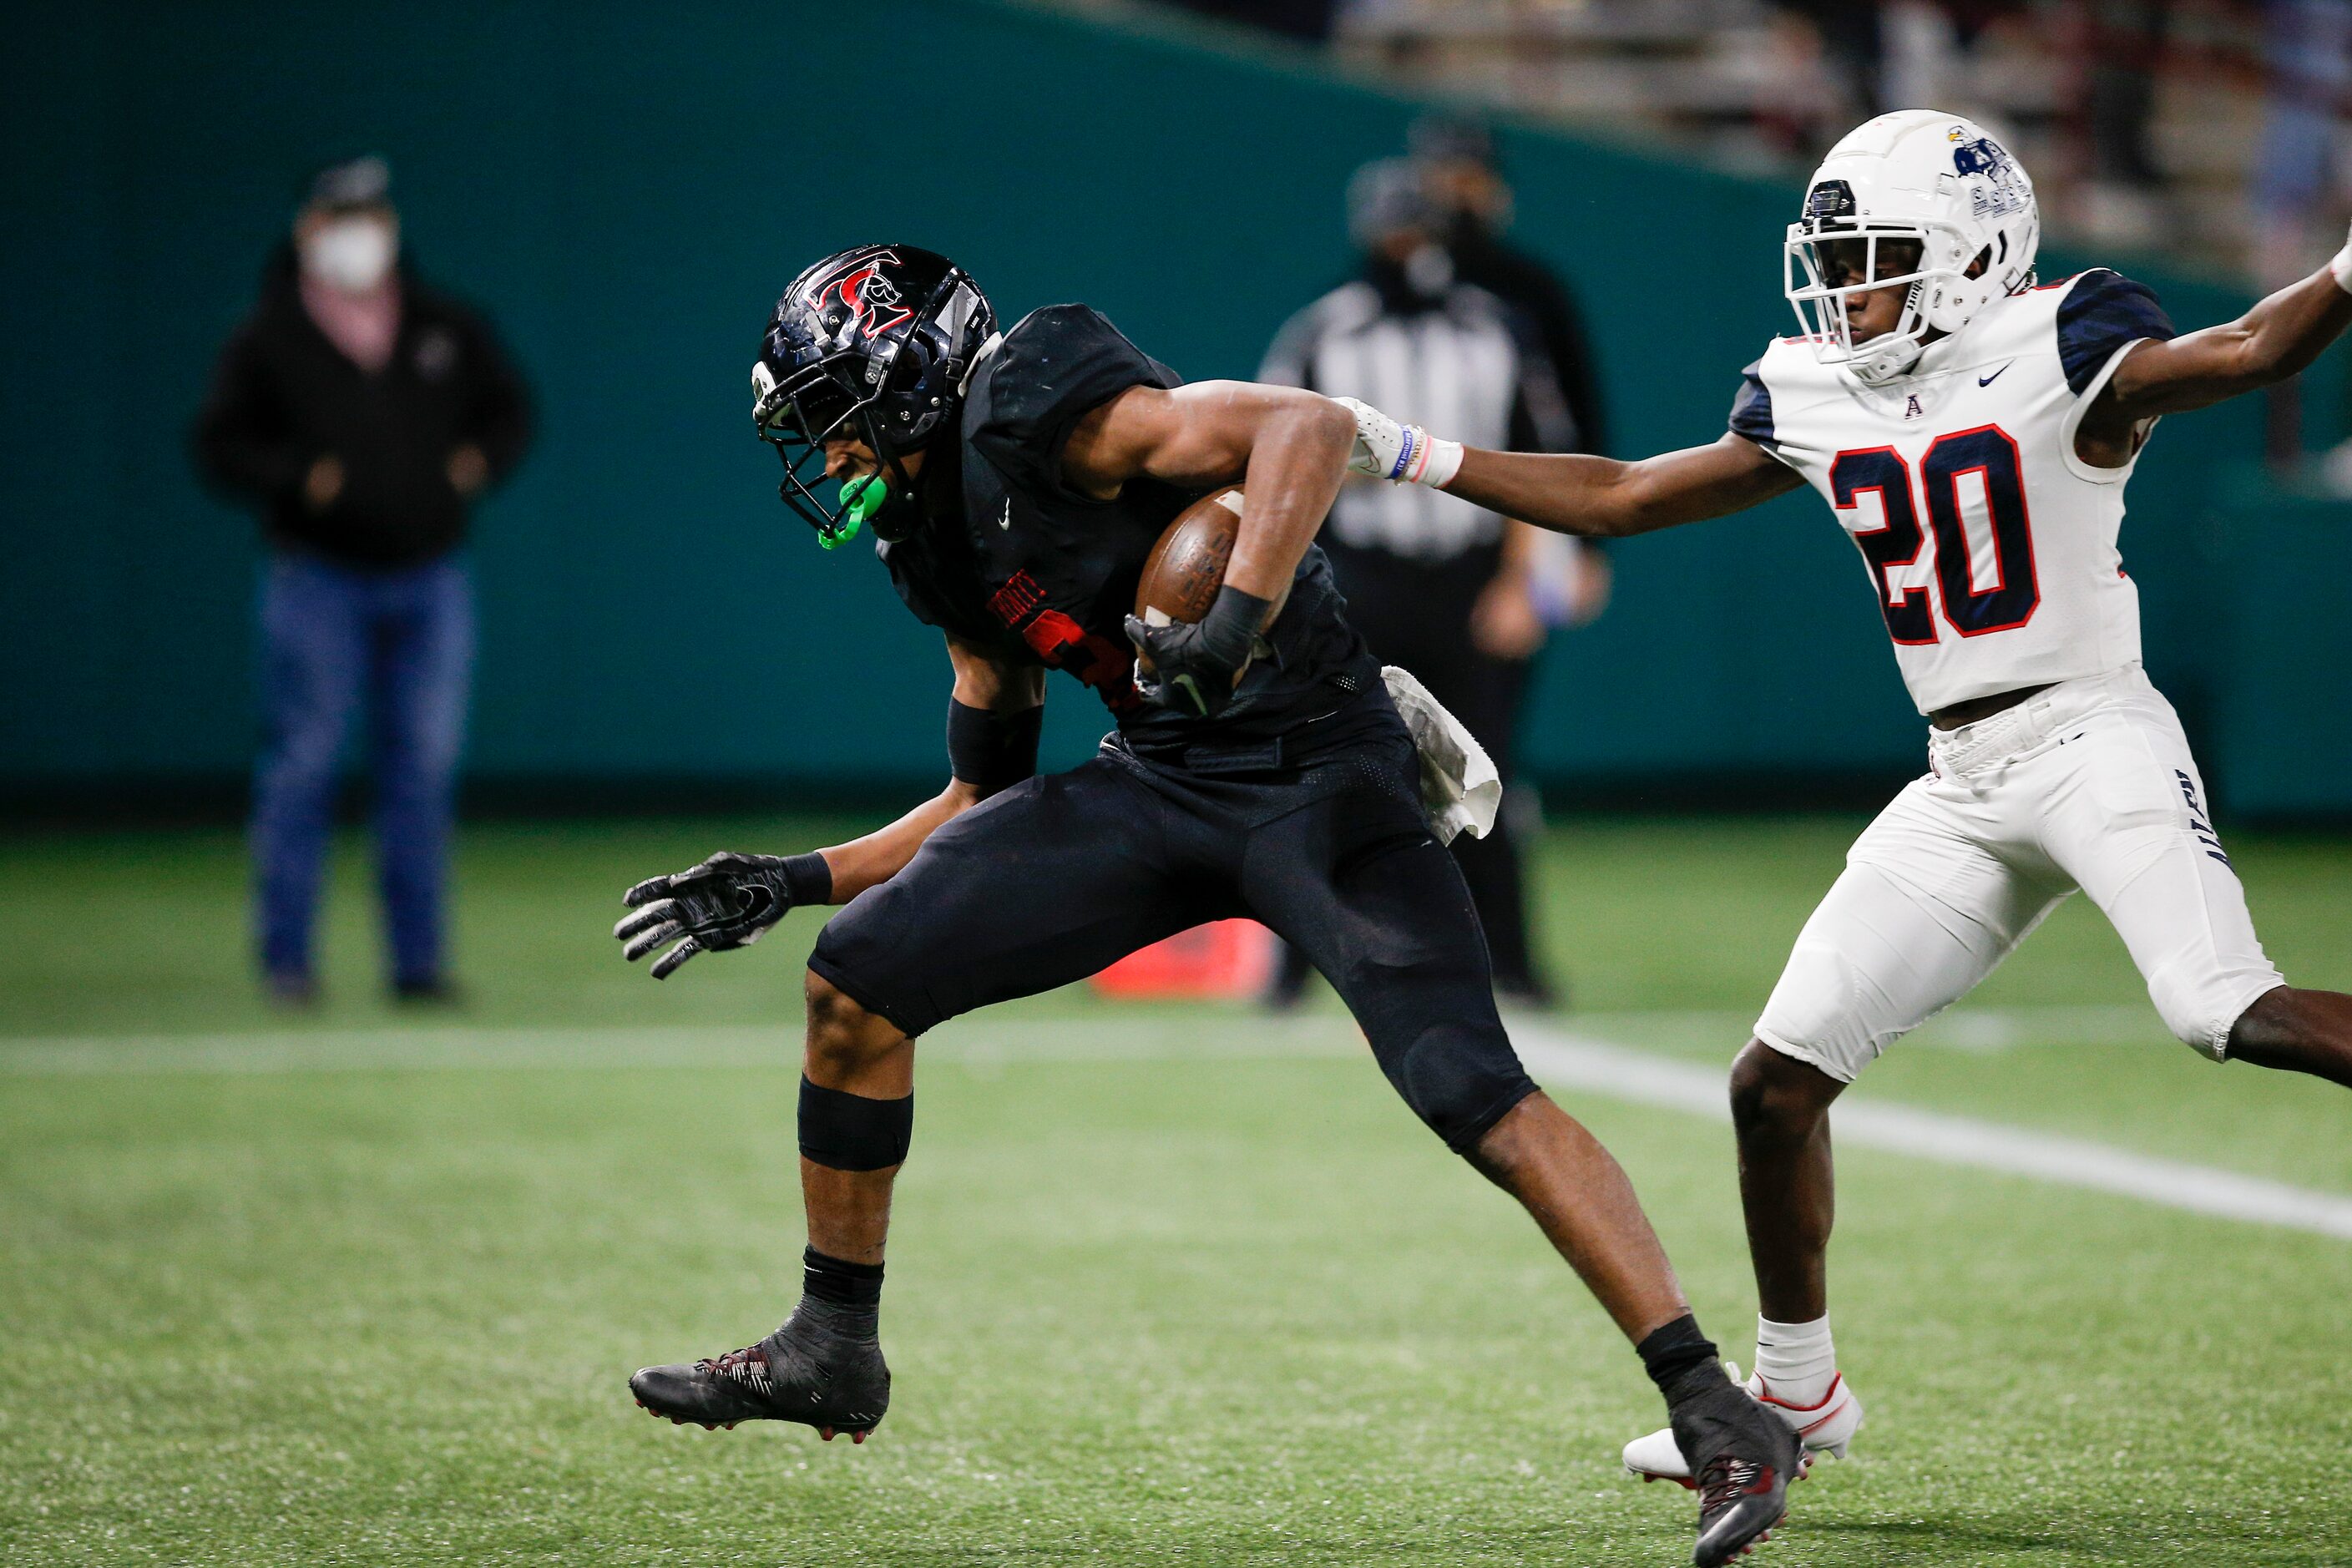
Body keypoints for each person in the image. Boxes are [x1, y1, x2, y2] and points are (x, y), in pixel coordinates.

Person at [609, 245, 1801, 1565]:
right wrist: (795, 877)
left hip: (1319, 765)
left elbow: (1304, 424)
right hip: (1162, 781)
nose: (827, 462)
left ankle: (1716, 1405)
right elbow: (978, 791)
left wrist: (1233, 616)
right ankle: (832, 1344)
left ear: (904, 380)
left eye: (835, 423)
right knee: (857, 975)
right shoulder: (928, 544)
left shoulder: (1035, 393)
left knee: (1473, 1090)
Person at [1340, 109, 2352, 1485]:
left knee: (2217, 1004)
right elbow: (1629, 494)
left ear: (1972, 253)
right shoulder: (1818, 383)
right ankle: (1797, 1398)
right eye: (1834, 258)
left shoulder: (2061, 340)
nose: (1845, 289)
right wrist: (1410, 451)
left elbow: (2245, 350)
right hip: (1958, 776)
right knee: (1771, 1082)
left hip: (2092, 735)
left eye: (1874, 257)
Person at [1258, 157, 1598, 1006]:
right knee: (1324, 765)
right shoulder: (1322, 333)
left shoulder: (1496, 330)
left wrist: (1526, 583)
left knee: (1488, 771)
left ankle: (1512, 963)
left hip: (1467, 578)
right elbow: (1266, 460)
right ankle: (1291, 969)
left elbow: (1538, 466)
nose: (1405, 245)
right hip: (1358, 579)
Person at [194, 157, 531, 1003]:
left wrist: (475, 463)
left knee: (420, 769)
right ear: (308, 226)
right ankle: (287, 962)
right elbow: (218, 442)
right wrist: (296, 477)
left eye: (371, 214)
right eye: (342, 216)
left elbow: (511, 409)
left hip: (428, 576)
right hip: (318, 578)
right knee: (303, 765)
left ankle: (417, 966)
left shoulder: (441, 322)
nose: (359, 232)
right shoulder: (268, 334)